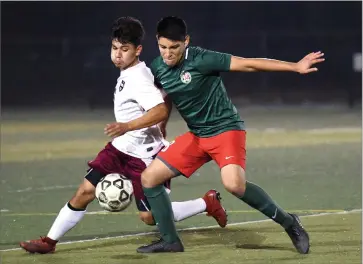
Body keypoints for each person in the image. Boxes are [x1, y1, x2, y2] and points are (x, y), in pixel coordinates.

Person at [19, 16, 227, 254]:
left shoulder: (138, 77)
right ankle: (49, 241)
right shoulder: (130, 73)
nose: (118, 54)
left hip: (145, 157)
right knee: (85, 191)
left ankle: (206, 203)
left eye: (125, 49)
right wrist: (155, 127)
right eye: (115, 48)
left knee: (149, 217)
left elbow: (158, 108)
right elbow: (164, 97)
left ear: (137, 50)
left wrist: (130, 126)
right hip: (119, 149)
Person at [137, 16, 325, 254]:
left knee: (234, 185)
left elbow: (248, 64)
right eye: (163, 47)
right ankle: (170, 241)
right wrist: (159, 125)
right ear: (157, 42)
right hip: (197, 136)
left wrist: (294, 66)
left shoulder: (202, 58)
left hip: (226, 130)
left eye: (174, 47)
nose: (168, 53)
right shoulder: (157, 67)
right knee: (149, 178)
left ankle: (290, 223)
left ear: (186, 41)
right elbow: (161, 100)